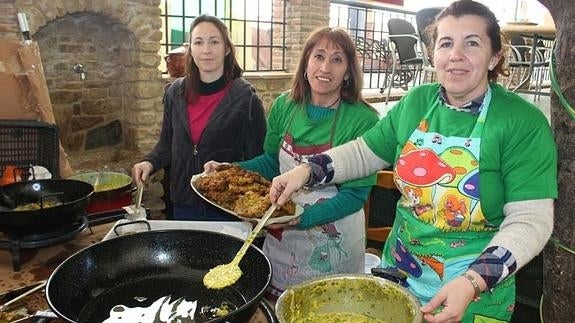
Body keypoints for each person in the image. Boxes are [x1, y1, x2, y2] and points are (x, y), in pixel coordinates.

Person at [269, 1, 557, 322]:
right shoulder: (417, 102)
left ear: (494, 57)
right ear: (433, 53)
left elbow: (531, 220)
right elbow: (365, 152)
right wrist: (307, 171)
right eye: (446, 43)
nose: (456, 55)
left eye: (471, 43)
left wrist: (473, 280)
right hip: (402, 271)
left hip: (475, 287)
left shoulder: (522, 122)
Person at [205, 26, 380, 299]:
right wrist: (229, 170)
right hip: (284, 238)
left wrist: (302, 218)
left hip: (334, 242)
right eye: (318, 56)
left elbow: (355, 196)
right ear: (306, 62)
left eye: (337, 60)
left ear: (348, 71)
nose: (325, 67)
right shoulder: (284, 106)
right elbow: (273, 163)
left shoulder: (363, 120)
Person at [132, 15, 266, 221]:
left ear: (227, 48)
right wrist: (149, 163)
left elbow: (258, 158)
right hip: (183, 202)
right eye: (198, 42)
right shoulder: (174, 93)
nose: (206, 50)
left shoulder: (246, 98)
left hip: (228, 206)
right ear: (190, 49)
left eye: (214, 41)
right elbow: (166, 144)